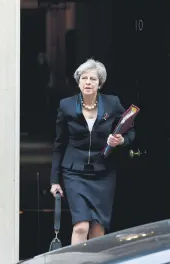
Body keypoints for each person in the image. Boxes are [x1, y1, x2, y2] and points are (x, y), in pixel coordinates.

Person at [49, 58, 135, 245]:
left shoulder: (112, 104)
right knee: (81, 226)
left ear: (100, 83)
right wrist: (54, 180)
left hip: (103, 172)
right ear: (78, 81)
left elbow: (131, 131)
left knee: (98, 227)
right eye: (84, 78)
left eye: (93, 79)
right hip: (74, 173)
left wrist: (121, 140)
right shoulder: (67, 106)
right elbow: (59, 144)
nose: (88, 82)